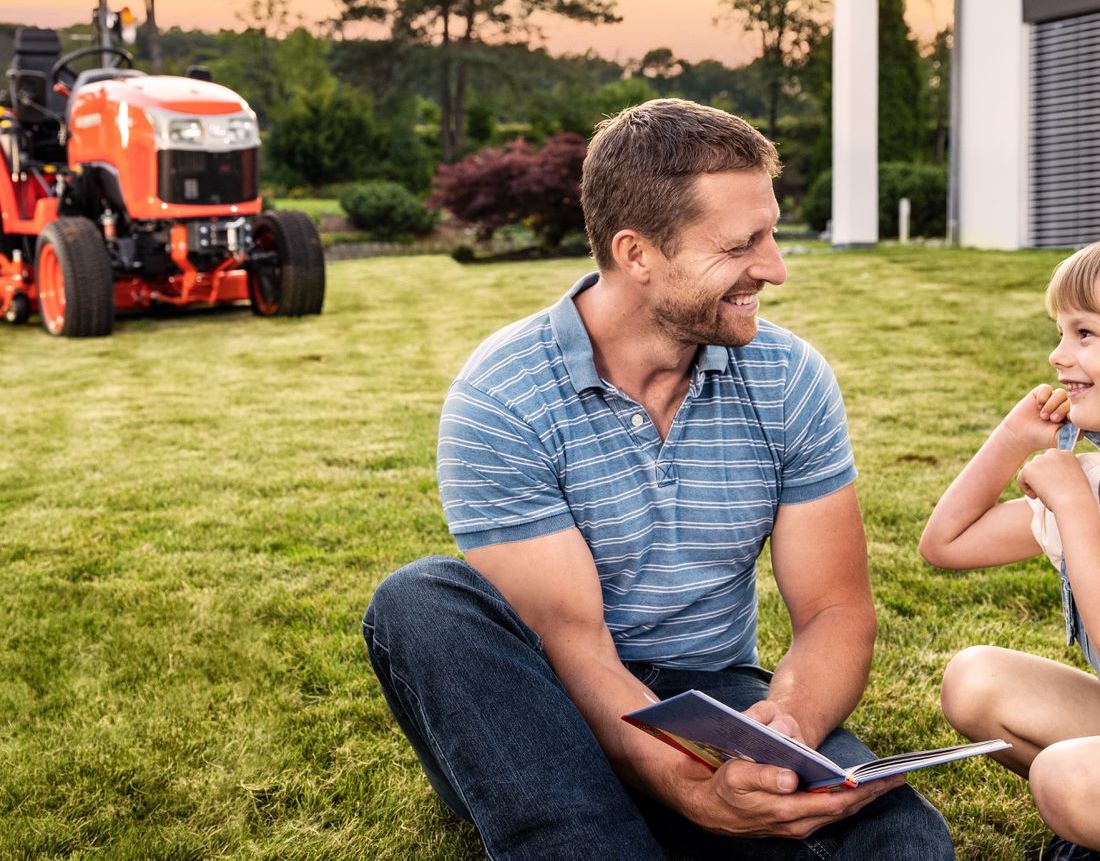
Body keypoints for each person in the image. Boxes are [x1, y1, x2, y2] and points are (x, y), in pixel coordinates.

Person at [365, 98, 952, 859]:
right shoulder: (504, 396)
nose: (773, 269)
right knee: (422, 600)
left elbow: (837, 609)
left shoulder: (788, 377)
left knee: (901, 838)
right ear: (637, 254)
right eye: (742, 245)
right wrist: (688, 790)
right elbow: (575, 647)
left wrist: (789, 730)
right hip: (539, 714)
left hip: (712, 699)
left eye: (771, 233)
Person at [920, 241, 1100, 861]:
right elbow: (945, 543)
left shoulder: (1084, 493)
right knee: (976, 679)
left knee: (1068, 779)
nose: (1058, 355)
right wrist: (1011, 439)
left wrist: (1074, 508)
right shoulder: (1095, 481)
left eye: (1085, 333)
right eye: (1060, 332)